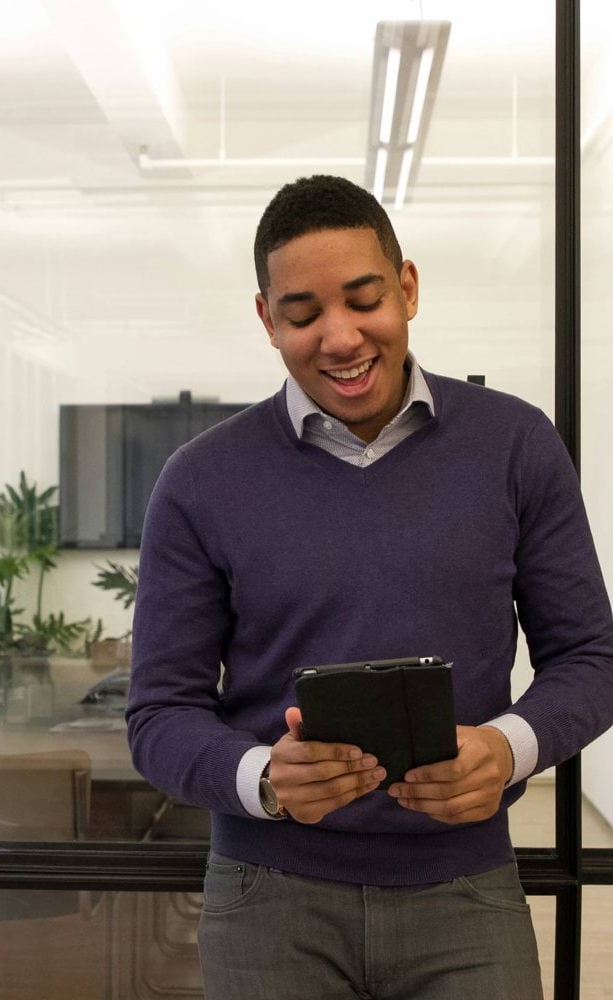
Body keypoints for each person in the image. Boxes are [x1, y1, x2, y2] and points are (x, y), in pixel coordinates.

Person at [126, 175, 613, 999]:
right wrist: (264, 780)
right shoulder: (200, 480)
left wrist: (505, 748)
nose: (341, 337)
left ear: (409, 288)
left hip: (465, 891)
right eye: (304, 314)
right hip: (266, 902)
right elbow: (158, 715)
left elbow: (591, 659)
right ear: (267, 319)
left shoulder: (516, 445)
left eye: (364, 299)